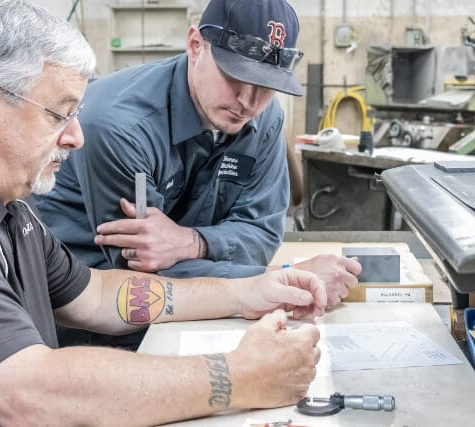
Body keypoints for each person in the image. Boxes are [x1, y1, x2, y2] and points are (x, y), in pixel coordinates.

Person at [0, 1, 329, 425]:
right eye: (60, 113)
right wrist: (239, 376)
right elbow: (25, 395)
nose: (76, 136)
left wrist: (246, 292)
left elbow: (96, 295)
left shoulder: (5, 207)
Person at [33, 0, 361, 306]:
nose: (248, 101)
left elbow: (263, 232)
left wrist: (192, 242)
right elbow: (142, 277)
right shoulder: (120, 126)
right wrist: (279, 281)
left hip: (190, 300)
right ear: (195, 46)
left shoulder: (265, 117)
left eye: (265, 86)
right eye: (235, 77)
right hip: (85, 307)